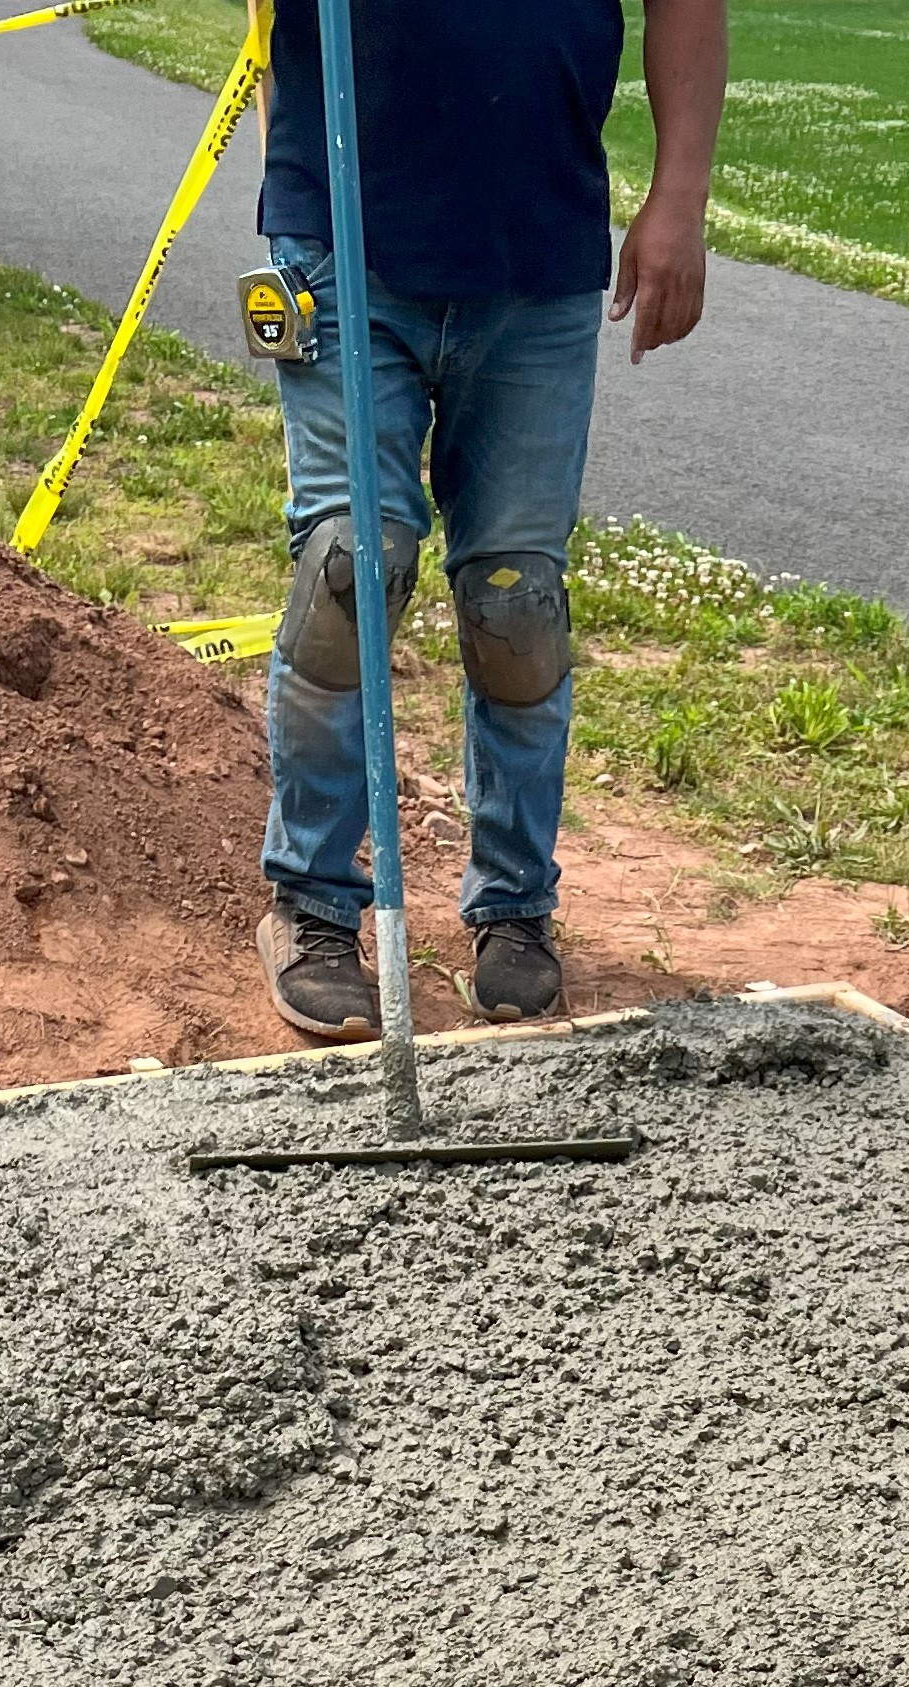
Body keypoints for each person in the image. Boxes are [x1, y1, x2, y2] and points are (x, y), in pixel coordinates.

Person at [251, 0, 728, 1039]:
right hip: (342, 234)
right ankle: (316, 903)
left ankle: (514, 907)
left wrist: (679, 196)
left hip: (537, 246)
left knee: (517, 603)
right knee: (350, 570)